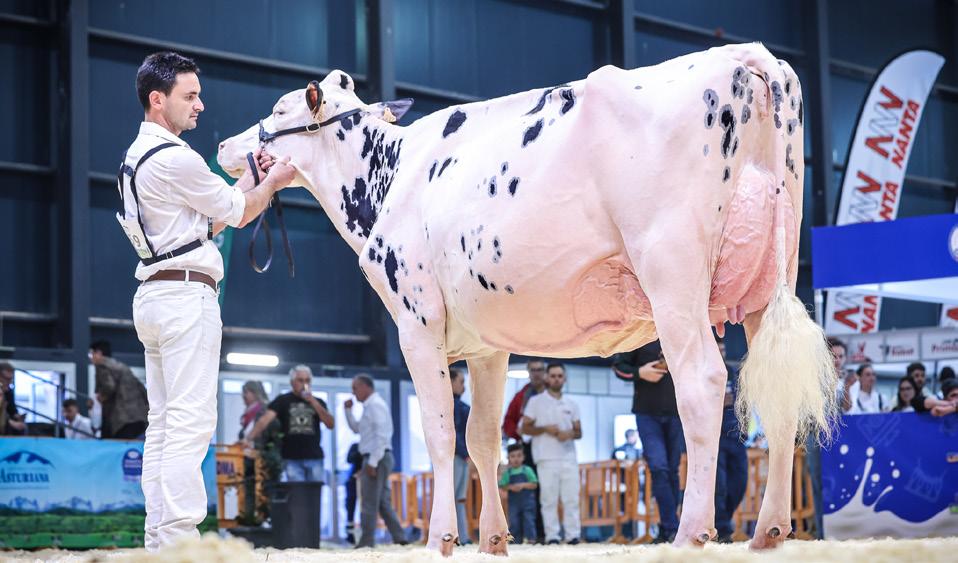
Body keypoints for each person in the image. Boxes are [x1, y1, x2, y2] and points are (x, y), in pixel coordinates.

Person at [124, 51, 296, 551]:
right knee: (190, 421)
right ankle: (180, 540)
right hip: (184, 297)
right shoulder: (177, 157)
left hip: (155, 292)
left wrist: (250, 182)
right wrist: (274, 181)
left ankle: (160, 537)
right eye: (190, 96)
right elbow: (239, 214)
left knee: (164, 422)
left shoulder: (136, 157)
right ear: (158, 100)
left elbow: (205, 223)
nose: (200, 105)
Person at [612, 340, 683, 543]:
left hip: (677, 412)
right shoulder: (640, 333)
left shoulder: (680, 331)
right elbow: (618, 367)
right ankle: (672, 527)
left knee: (672, 471)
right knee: (659, 468)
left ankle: (668, 528)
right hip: (647, 414)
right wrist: (639, 372)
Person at [521, 363, 581, 545]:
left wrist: (568, 434)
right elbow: (525, 428)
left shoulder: (572, 403)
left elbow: (579, 432)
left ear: (565, 379)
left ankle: (573, 535)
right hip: (545, 458)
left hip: (568, 457)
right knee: (548, 500)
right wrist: (545, 429)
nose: (556, 379)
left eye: (559, 376)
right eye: (553, 376)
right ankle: (552, 536)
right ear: (547, 378)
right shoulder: (535, 402)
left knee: (571, 499)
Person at [344, 374, 407, 548]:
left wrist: (372, 462)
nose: (353, 392)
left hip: (376, 457)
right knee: (382, 502)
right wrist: (348, 411)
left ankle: (366, 542)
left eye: (355, 388)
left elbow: (382, 436)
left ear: (365, 386)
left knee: (369, 502)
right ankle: (400, 537)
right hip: (378, 457)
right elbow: (357, 429)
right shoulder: (370, 407)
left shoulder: (375, 406)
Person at [244, 366, 334, 482]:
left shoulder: (318, 402)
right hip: (291, 458)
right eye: (300, 380)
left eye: (307, 380)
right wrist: (248, 438)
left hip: (314, 457)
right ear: (292, 382)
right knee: (296, 492)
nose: (304, 384)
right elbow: (264, 420)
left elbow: (330, 424)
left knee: (314, 491)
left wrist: (313, 402)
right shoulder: (282, 400)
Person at [804, 336, 847, 539]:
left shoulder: (848, 381)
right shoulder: (815, 379)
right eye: (833, 356)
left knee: (842, 482)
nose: (837, 360)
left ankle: (842, 529)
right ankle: (822, 532)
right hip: (817, 435)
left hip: (843, 437)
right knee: (820, 484)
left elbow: (849, 409)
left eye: (841, 356)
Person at [502, 358, 547, 542]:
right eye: (533, 370)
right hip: (527, 448)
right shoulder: (521, 396)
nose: (537, 373)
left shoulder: (552, 394)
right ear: (529, 372)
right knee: (527, 494)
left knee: (546, 491)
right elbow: (508, 421)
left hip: (548, 446)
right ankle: (524, 535)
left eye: (540, 369)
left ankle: (544, 533)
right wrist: (518, 433)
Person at [713, 339, 747, 543]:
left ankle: (723, 520)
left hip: (736, 434)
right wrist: (716, 400)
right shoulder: (703, 373)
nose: (721, 353)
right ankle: (722, 529)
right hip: (714, 436)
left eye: (723, 349)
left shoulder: (733, 372)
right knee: (719, 485)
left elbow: (743, 401)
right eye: (717, 349)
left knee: (740, 482)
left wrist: (745, 426)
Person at [91, 341, 150, 439]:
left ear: (98, 353)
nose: (91, 358)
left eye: (91, 354)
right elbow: (141, 388)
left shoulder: (102, 365)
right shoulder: (121, 366)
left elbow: (109, 387)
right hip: (139, 416)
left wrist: (101, 397)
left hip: (121, 419)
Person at [498, 443, 538, 544]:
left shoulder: (527, 470)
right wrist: (511, 487)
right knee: (514, 521)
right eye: (513, 456)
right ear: (508, 458)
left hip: (528, 502)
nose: (516, 459)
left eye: (519, 456)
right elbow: (502, 485)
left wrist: (523, 485)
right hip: (513, 503)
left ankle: (531, 539)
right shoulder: (508, 473)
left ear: (523, 457)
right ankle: (514, 541)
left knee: (529, 520)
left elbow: (534, 484)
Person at [450, 368, 473, 544]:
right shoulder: (449, 405)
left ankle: (462, 536)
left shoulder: (459, 405)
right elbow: (453, 432)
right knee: (451, 497)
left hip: (461, 455)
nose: (463, 386)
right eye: (461, 382)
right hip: (453, 456)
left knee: (459, 498)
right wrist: (465, 453)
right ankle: (452, 536)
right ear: (451, 382)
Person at [237, 380, 270, 444]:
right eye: (243, 392)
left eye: (246, 392)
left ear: (255, 393)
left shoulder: (263, 411)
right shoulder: (247, 413)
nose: (243, 395)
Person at [344, 442, 364, 545]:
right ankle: (350, 536)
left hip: (365, 481)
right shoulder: (356, 446)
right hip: (352, 480)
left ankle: (362, 535)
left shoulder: (372, 448)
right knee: (350, 507)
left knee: (363, 508)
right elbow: (349, 459)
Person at [0, 362, 25, 436]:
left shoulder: (8, 392)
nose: (10, 382)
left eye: (11, 379)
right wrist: (11, 423)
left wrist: (17, 416)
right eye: (7, 379)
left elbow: (12, 410)